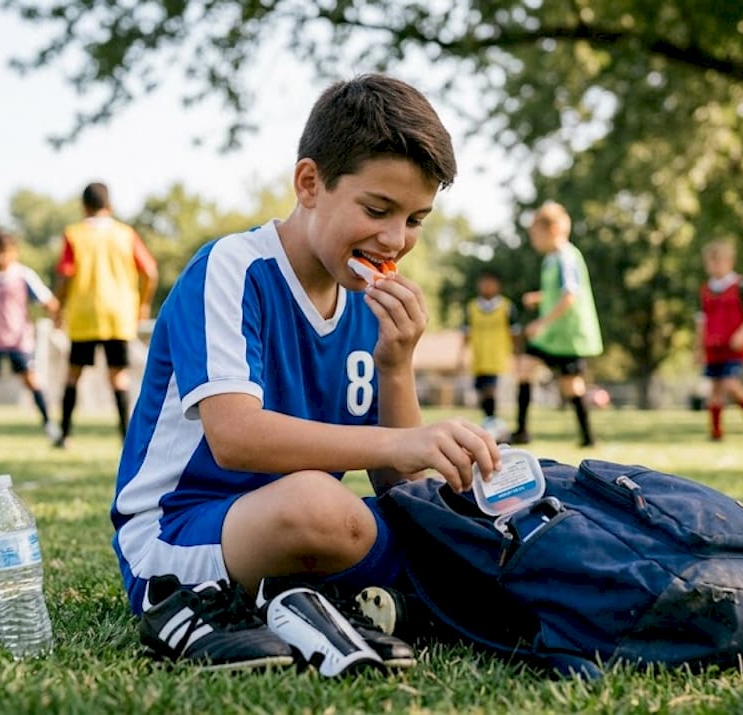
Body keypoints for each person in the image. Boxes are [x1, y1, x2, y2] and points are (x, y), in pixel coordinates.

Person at [113, 74, 500, 674]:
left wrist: (396, 365)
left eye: (416, 220)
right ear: (310, 183)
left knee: (460, 520)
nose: (394, 240)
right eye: (378, 209)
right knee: (322, 505)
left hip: (306, 522)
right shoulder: (233, 268)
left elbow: (400, 484)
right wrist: (404, 441)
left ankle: (333, 598)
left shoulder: (365, 302)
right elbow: (235, 437)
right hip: (180, 532)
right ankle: (373, 596)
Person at [53, 182, 158, 448]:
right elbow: (150, 271)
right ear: (109, 206)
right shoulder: (125, 234)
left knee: (74, 375)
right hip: (118, 314)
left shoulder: (74, 234)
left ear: (84, 206)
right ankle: (126, 438)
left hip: (84, 314)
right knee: (118, 377)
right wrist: (143, 304)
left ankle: (64, 435)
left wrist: (59, 306)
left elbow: (65, 275)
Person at [512, 202, 603, 447]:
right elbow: (558, 292)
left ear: (552, 230)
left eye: (535, 234)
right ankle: (522, 430)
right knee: (525, 368)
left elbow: (570, 296)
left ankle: (588, 437)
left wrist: (540, 323)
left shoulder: (566, 256)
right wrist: (540, 297)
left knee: (572, 385)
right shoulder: (551, 259)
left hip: (566, 334)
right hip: (554, 335)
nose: (533, 240)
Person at [0, 232, 61, 438]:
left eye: (6, 253)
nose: (2, 258)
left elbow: (48, 300)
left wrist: (57, 315)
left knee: (31, 380)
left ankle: (49, 424)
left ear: (15, 253)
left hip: (19, 340)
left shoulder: (23, 275)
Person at [695, 240, 743, 441]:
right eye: (711, 262)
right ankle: (716, 432)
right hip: (713, 348)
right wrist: (698, 348)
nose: (714, 266)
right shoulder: (706, 289)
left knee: (731, 384)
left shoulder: (740, 285)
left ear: (730, 262)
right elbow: (701, 321)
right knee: (715, 389)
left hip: (734, 348)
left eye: (718, 262)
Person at [459, 269, 518, 438]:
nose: (486, 286)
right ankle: (489, 420)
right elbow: (466, 334)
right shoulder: (472, 308)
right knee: (481, 392)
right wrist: (461, 356)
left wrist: (517, 356)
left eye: (490, 283)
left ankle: (494, 422)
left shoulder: (506, 307)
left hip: (499, 358)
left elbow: (515, 334)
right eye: (483, 283)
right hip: (479, 358)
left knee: (492, 390)